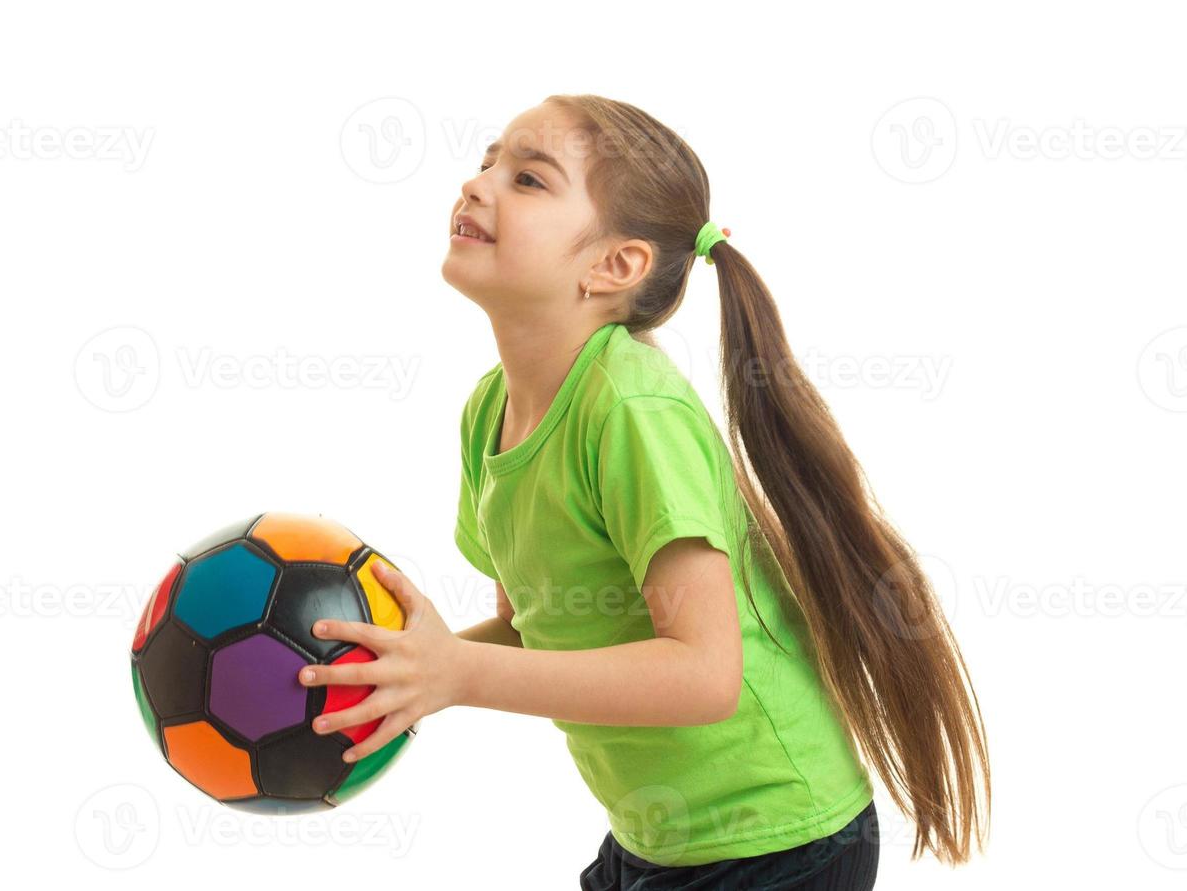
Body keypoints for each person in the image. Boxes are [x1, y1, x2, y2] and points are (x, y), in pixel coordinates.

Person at [294, 95, 990, 889]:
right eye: (488, 159)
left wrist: (458, 673)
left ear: (614, 266)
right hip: (659, 839)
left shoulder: (630, 410)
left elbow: (703, 675)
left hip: (777, 846)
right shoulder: (492, 411)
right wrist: (415, 668)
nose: (477, 184)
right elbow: (542, 634)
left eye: (526, 178)